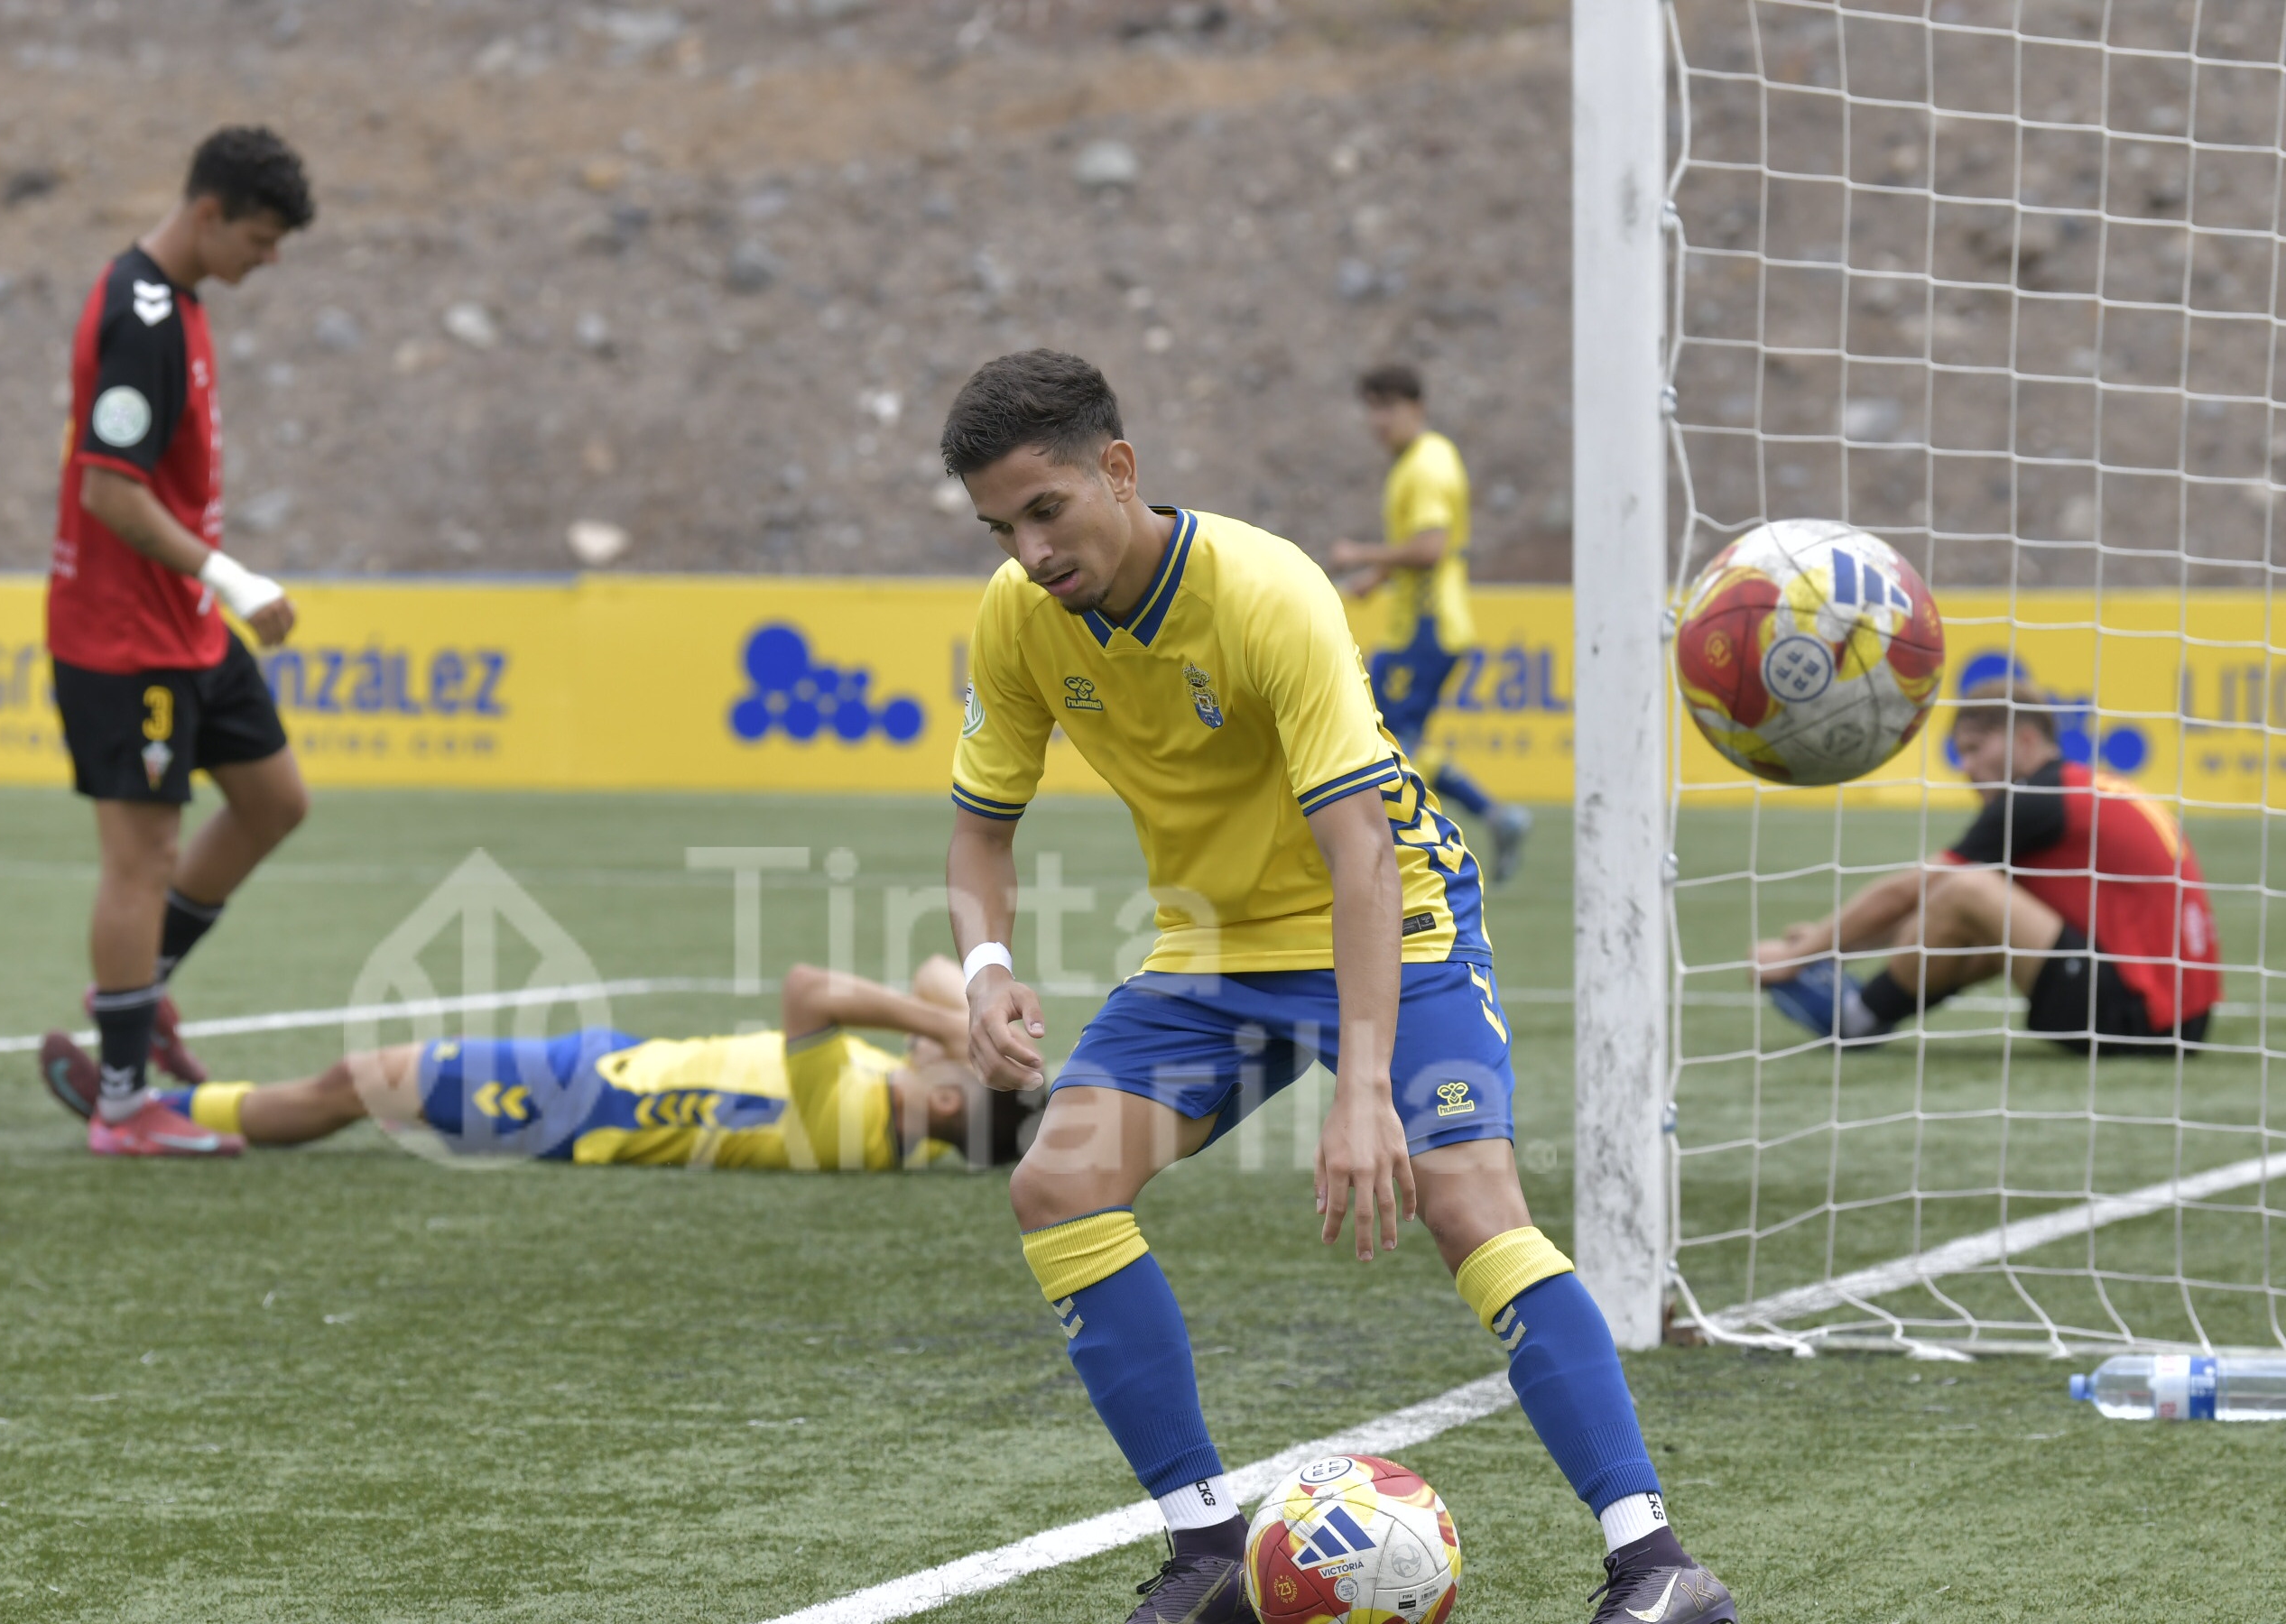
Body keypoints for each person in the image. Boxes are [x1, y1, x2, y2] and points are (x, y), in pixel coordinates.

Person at [940, 352, 1735, 1624]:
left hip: (1393, 919)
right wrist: (986, 973)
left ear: (1119, 470)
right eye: (1001, 528)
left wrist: (1362, 1090)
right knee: (1057, 1183)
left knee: (1467, 1203)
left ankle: (1656, 1565)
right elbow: (981, 832)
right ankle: (1208, 1552)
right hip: (1213, 944)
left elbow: (1358, 850)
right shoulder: (1017, 616)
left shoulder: (1267, 591)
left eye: (1047, 510)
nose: (1031, 553)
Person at [49, 127, 316, 1157]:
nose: (270, 258)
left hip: (185, 627)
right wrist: (232, 578)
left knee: (274, 801)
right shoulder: (140, 315)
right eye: (260, 237)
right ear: (209, 213)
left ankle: (138, 988)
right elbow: (109, 493)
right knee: (141, 856)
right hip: (125, 638)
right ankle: (122, 1106)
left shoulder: (183, 303)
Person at [32, 958, 1038, 1169]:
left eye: (951, 1065)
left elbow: (810, 990)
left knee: (353, 1086)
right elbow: (937, 970)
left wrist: (951, 1027)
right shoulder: (905, 1116)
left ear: (950, 1103)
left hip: (569, 1104)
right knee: (356, 1082)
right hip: (594, 1075)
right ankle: (185, 1096)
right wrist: (973, 1024)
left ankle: (165, 1112)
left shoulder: (854, 1124)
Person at [1756, 679, 2221, 1051]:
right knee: (1971, 902)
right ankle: (1866, 1006)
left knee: (1967, 888)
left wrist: (1800, 956)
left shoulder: (2035, 800)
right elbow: (1936, 916)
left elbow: (1911, 892)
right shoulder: (2083, 788)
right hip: (2181, 1018)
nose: (1965, 766)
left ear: (2026, 740)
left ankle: (1858, 1016)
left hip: (2134, 1015)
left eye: (1975, 749)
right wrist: (1834, 946)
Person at [1325, 364, 1532, 886]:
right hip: (1415, 628)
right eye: (1372, 408)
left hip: (1428, 628)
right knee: (1390, 739)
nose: (1379, 420)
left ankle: (1430, 844)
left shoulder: (1425, 467)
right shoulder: (1417, 462)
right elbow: (1420, 548)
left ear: (1416, 408)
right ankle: (1493, 818)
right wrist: (1377, 577)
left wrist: (1360, 555)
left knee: (1382, 742)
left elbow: (1430, 548)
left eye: (1389, 407)